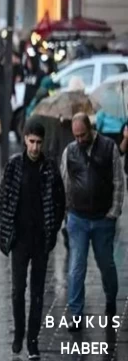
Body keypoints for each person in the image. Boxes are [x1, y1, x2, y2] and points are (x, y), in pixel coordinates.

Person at [0, 119, 65, 358]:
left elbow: (59, 202)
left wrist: (52, 230)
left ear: (43, 142)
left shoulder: (50, 168)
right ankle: (19, 333)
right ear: (25, 139)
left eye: (39, 142)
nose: (35, 147)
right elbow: (3, 198)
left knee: (37, 292)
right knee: (17, 290)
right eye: (31, 141)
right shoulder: (14, 166)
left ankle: (32, 338)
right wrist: (3, 229)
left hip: (41, 240)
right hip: (19, 239)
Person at [60, 113, 124, 330]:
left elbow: (118, 180)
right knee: (76, 267)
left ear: (91, 129)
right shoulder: (69, 152)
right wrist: (66, 215)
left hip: (103, 218)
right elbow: (65, 185)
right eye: (75, 135)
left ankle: (110, 301)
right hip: (78, 218)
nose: (79, 139)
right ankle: (76, 314)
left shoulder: (108, 147)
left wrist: (114, 212)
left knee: (106, 264)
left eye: (83, 134)